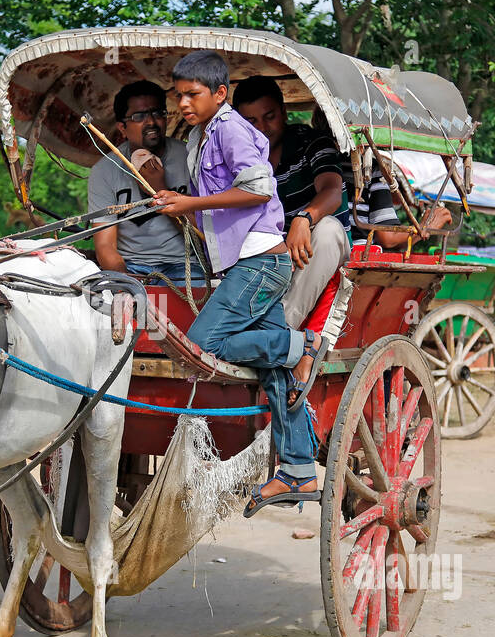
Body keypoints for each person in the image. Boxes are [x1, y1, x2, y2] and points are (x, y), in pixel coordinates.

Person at [150, 50, 322, 515]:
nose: (183, 103)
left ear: (220, 94)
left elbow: (258, 189)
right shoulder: (202, 134)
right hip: (248, 264)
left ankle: (300, 345)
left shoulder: (227, 128)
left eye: (193, 94)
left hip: (259, 263)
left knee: (203, 345)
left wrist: (188, 206)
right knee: (273, 371)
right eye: (179, 94)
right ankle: (300, 471)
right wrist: (180, 199)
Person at [232, 76, 350, 328]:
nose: (263, 127)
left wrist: (304, 219)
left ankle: (280, 330)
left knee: (328, 229)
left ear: (284, 112)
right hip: (268, 258)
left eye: (270, 116)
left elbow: (331, 189)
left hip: (316, 252)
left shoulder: (311, 143)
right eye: (251, 121)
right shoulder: (239, 157)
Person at [87, 80, 203, 283]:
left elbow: (203, 235)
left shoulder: (190, 157)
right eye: (139, 116)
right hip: (132, 267)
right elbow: (105, 247)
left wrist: (159, 188)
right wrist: (127, 284)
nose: (151, 122)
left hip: (187, 266)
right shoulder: (104, 171)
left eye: (158, 113)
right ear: (122, 127)